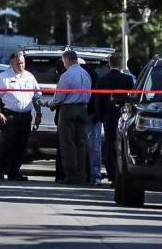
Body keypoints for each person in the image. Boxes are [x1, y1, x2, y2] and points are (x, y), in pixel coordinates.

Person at [0, 51, 42, 181]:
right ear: (12, 62)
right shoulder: (4, 77)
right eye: (18, 63)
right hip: (10, 117)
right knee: (8, 144)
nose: (21, 65)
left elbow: (36, 96)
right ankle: (0, 171)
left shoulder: (29, 77)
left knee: (22, 145)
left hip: (25, 116)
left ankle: (14, 172)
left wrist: (39, 113)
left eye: (23, 63)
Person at [50, 49, 91, 185]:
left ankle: (71, 175)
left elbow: (59, 97)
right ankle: (81, 175)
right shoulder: (86, 74)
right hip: (83, 109)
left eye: (63, 61)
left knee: (68, 144)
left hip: (68, 110)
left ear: (66, 60)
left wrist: (50, 103)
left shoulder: (66, 76)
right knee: (81, 143)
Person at [93, 54, 136, 185]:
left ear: (109, 64)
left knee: (110, 145)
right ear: (121, 64)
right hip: (123, 116)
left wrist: (99, 116)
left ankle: (111, 174)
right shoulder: (128, 80)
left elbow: (98, 100)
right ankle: (120, 173)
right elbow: (133, 99)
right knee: (122, 145)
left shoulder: (102, 80)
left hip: (108, 117)